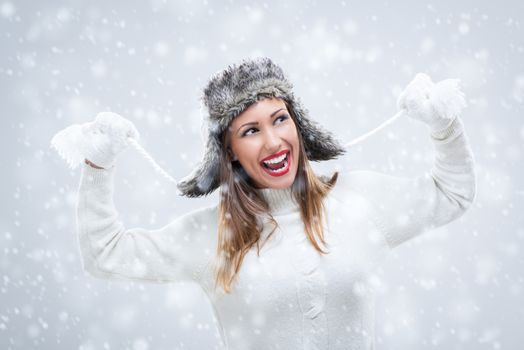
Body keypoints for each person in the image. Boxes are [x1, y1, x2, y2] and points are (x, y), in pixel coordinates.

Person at [64, 57, 476, 349]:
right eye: (250, 131)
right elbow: (104, 255)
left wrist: (444, 125)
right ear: (228, 153)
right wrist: (97, 164)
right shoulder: (211, 236)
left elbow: (451, 194)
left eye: (280, 119)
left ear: (298, 124)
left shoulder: (359, 200)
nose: (273, 141)